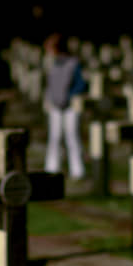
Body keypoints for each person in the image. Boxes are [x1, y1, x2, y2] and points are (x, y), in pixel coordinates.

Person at [42, 32, 87, 179]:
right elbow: (50, 84)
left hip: (70, 107)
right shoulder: (52, 64)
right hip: (55, 106)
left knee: (72, 137)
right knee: (54, 137)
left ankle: (77, 170)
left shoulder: (73, 63)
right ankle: (52, 168)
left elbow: (80, 84)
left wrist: (68, 96)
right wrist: (49, 99)